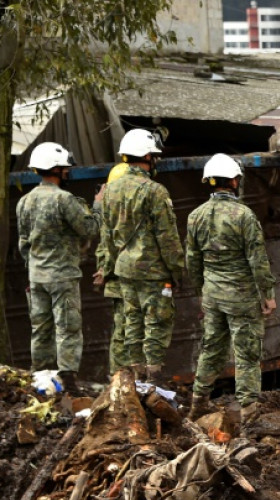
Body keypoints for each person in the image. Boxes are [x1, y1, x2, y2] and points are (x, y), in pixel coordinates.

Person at [186, 154, 276, 421]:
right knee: (247, 353)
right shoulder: (244, 216)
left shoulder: (195, 216)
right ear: (235, 181)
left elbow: (192, 260)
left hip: (213, 296)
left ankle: (198, 402)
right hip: (242, 297)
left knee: (212, 348)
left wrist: (201, 292)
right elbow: (257, 260)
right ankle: (249, 413)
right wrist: (268, 294)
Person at [99, 129, 185, 384]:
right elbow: (168, 238)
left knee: (132, 325)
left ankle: (134, 381)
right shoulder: (155, 191)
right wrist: (177, 271)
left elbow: (108, 237)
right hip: (153, 273)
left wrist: (108, 268)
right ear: (147, 156)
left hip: (124, 271)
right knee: (156, 326)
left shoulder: (110, 191)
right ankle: (154, 381)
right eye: (154, 156)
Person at [17, 142, 101, 392]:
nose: (68, 172)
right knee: (67, 328)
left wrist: (32, 270)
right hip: (62, 277)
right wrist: (98, 204)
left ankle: (41, 381)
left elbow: (23, 243)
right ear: (55, 169)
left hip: (37, 276)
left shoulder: (24, 202)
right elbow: (90, 228)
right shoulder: (63, 199)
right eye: (65, 169)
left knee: (40, 328)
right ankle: (69, 381)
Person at [94, 162, 132, 375]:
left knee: (121, 332)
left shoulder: (109, 211)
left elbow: (106, 246)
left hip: (118, 280)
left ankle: (118, 378)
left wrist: (104, 271)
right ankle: (124, 380)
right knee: (130, 331)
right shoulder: (128, 211)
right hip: (129, 281)